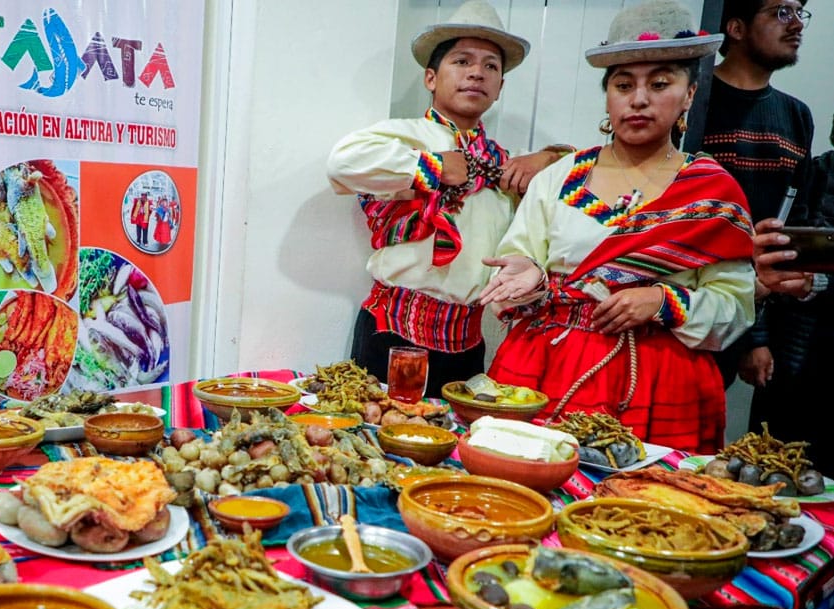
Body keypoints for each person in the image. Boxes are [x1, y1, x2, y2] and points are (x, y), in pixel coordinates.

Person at [479, 0, 755, 454]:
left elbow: (736, 307)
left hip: (660, 380)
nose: (639, 99)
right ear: (608, 95)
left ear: (689, 93)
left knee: (643, 511)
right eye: (624, 84)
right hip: (546, 367)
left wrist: (662, 301)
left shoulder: (711, 194)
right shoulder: (560, 178)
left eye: (660, 82)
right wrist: (527, 276)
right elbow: (514, 264)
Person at [326, 0, 566, 395]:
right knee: (378, 441)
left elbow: (577, 176)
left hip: (468, 345)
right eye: (462, 61)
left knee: (454, 446)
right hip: (393, 333)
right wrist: (434, 168)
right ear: (431, 78)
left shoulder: (505, 165)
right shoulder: (403, 137)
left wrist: (548, 157)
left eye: (491, 66)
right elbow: (342, 163)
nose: (477, 72)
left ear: (500, 87)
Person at [698, 0, 814, 392]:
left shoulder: (797, 115)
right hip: (686, 298)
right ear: (736, 28)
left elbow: (790, 222)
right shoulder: (695, 99)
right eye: (781, 12)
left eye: (800, 13)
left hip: (752, 305)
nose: (796, 23)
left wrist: (756, 334)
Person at [748, 116, 834, 472]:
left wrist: (820, 282)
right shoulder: (814, 172)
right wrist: (756, 338)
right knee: (770, 466)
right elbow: (767, 259)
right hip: (790, 351)